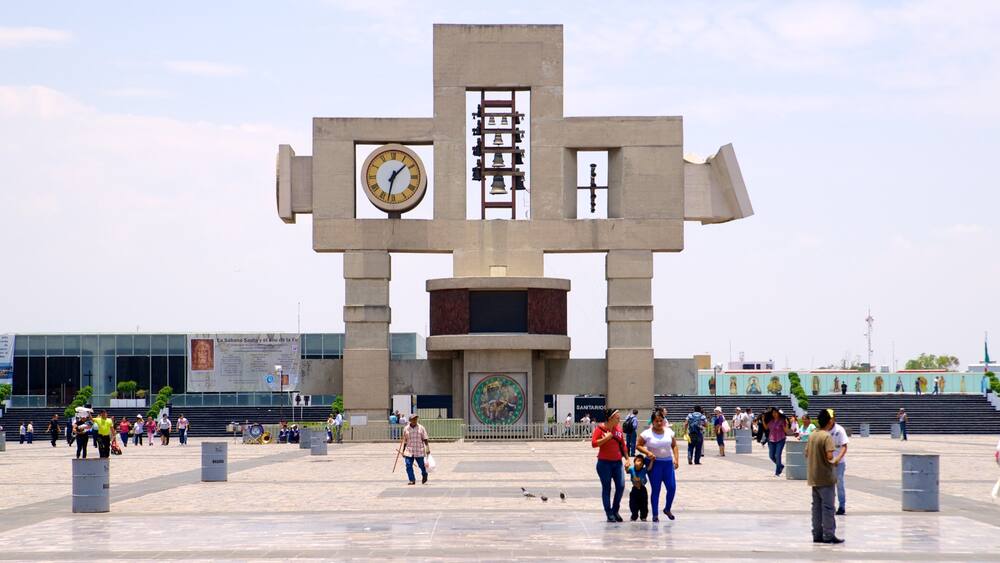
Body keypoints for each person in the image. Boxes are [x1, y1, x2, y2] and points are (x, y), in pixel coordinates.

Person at [804, 408, 845, 544]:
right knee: (828, 507)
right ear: (828, 421)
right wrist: (835, 460)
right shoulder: (826, 436)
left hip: (813, 477)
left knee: (816, 507)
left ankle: (817, 534)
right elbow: (829, 456)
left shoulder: (812, 435)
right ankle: (829, 534)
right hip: (825, 477)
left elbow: (806, 453)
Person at [637, 409, 679, 522]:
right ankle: (655, 514)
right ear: (652, 421)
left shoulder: (669, 432)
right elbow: (638, 445)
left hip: (667, 464)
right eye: (656, 421)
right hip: (655, 464)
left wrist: (676, 459)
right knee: (656, 489)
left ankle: (667, 508)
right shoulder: (647, 433)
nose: (659, 423)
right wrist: (648, 453)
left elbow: (674, 446)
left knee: (672, 488)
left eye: (661, 420)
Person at [591, 409, 629, 522]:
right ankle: (609, 512)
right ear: (610, 418)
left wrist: (627, 459)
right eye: (617, 418)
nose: (619, 420)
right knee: (607, 488)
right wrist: (606, 438)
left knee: (621, 486)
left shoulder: (618, 430)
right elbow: (594, 443)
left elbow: (623, 445)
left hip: (617, 463)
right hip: (604, 464)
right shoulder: (600, 429)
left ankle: (615, 510)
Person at [401, 414, 431, 485]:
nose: (415, 420)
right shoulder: (406, 429)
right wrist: (403, 451)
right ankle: (412, 480)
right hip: (409, 450)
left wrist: (427, 448)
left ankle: (424, 474)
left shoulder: (421, 428)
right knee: (408, 465)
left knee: (422, 466)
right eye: (413, 419)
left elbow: (425, 439)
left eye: (416, 419)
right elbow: (405, 441)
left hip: (419, 450)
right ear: (410, 420)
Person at [829, 413, 850, 515]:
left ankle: (842, 506)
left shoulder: (839, 430)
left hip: (839, 463)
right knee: (828, 485)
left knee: (839, 484)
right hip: (827, 462)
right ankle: (829, 505)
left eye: (830, 418)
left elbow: (844, 446)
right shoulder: (824, 430)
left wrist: (838, 458)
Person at [766, 407, 790, 476]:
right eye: (773, 413)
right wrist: (762, 419)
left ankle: (777, 472)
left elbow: (786, 431)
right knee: (771, 456)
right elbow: (766, 427)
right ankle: (780, 466)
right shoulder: (771, 421)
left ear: (778, 413)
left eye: (776, 413)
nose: (774, 414)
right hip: (771, 440)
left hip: (780, 439)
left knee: (778, 455)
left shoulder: (782, 420)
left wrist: (787, 423)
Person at [627, 454, 649, 521]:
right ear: (634, 462)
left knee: (644, 504)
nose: (639, 463)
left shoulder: (644, 470)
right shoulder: (632, 469)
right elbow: (627, 470)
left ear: (643, 465)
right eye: (638, 461)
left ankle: (643, 516)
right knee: (633, 503)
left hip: (642, 489)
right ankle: (634, 515)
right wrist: (626, 466)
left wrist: (652, 461)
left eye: (641, 462)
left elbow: (650, 467)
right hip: (634, 489)